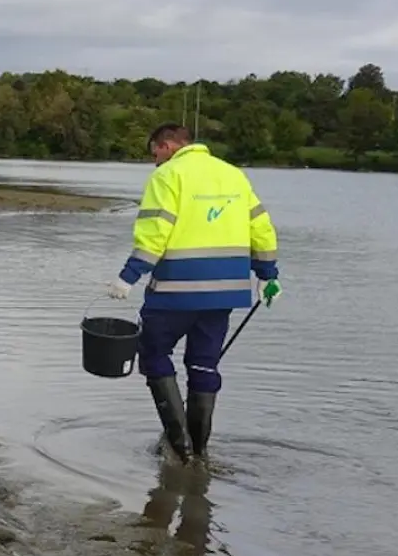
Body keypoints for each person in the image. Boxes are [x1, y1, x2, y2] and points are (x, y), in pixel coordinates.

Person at [108, 123, 282, 464]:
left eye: (154, 152)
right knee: (204, 364)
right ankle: (200, 451)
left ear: (169, 145)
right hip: (225, 294)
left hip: (175, 290)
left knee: (153, 354)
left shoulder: (168, 176)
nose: (154, 160)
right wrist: (268, 275)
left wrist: (127, 277)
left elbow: (155, 232)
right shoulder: (233, 175)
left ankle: (179, 445)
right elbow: (261, 228)